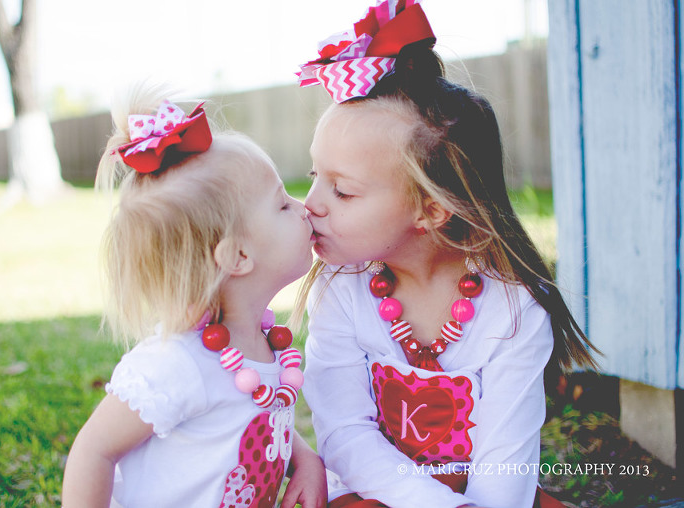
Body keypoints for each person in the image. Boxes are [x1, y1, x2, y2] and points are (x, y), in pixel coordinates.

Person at [294, 1, 597, 507]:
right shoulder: (340, 289)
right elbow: (345, 435)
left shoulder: (515, 308)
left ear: (432, 210)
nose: (311, 206)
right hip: (375, 493)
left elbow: (506, 463)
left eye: (342, 191)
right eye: (313, 178)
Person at [62, 84, 326, 508]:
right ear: (238, 255)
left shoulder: (257, 344)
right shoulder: (177, 364)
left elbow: (256, 412)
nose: (303, 208)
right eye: (281, 204)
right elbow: (95, 448)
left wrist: (305, 459)